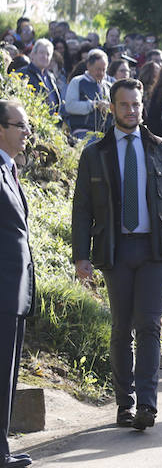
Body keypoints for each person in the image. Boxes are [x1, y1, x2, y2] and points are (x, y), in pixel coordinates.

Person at [72, 78, 162, 431]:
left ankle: (147, 404)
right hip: (115, 248)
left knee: (149, 326)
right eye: (124, 104)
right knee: (120, 328)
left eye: (137, 104)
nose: (131, 110)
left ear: (143, 107)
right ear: (112, 108)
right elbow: (82, 209)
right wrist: (81, 255)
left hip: (155, 248)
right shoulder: (95, 153)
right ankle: (123, 404)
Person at [0, 100, 35, 468]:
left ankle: (3, 448)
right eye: (20, 126)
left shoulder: (9, 168)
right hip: (2, 287)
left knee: (7, 373)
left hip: (14, 290)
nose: (27, 133)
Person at [65, 48, 112, 139]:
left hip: (105, 133)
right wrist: (94, 105)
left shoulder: (108, 86)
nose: (101, 73)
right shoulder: (77, 82)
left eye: (104, 70)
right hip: (83, 132)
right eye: (98, 69)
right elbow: (70, 106)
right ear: (89, 66)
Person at [22, 38, 62, 114]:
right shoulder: (23, 74)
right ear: (33, 54)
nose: (45, 56)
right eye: (41, 53)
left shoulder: (51, 76)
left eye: (48, 54)